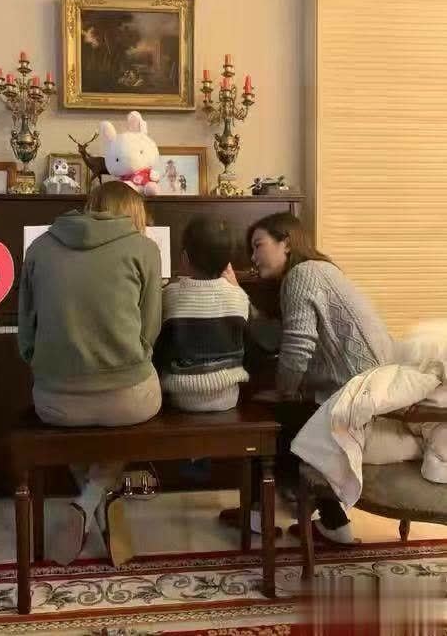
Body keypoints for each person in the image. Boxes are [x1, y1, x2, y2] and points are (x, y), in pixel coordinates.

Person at [221, 212, 393, 544]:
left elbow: (297, 347)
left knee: (261, 420)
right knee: (285, 420)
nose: (253, 257)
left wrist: (284, 392)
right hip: (367, 390)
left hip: (356, 399)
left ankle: (259, 515)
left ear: (286, 243)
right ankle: (332, 523)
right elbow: (277, 336)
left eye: (258, 246)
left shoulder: (301, 275)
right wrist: (241, 295)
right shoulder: (320, 270)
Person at [18, 181, 163, 566]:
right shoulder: (145, 249)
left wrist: (48, 365)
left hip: (55, 403)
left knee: (75, 425)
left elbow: (26, 332)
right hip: (128, 401)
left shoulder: (39, 247)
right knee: (136, 403)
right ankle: (92, 500)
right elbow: (151, 328)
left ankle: (90, 499)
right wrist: (129, 358)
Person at [154, 215, 249, 412]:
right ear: (227, 262)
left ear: (185, 258)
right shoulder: (239, 296)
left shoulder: (170, 294)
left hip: (181, 398)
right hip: (229, 397)